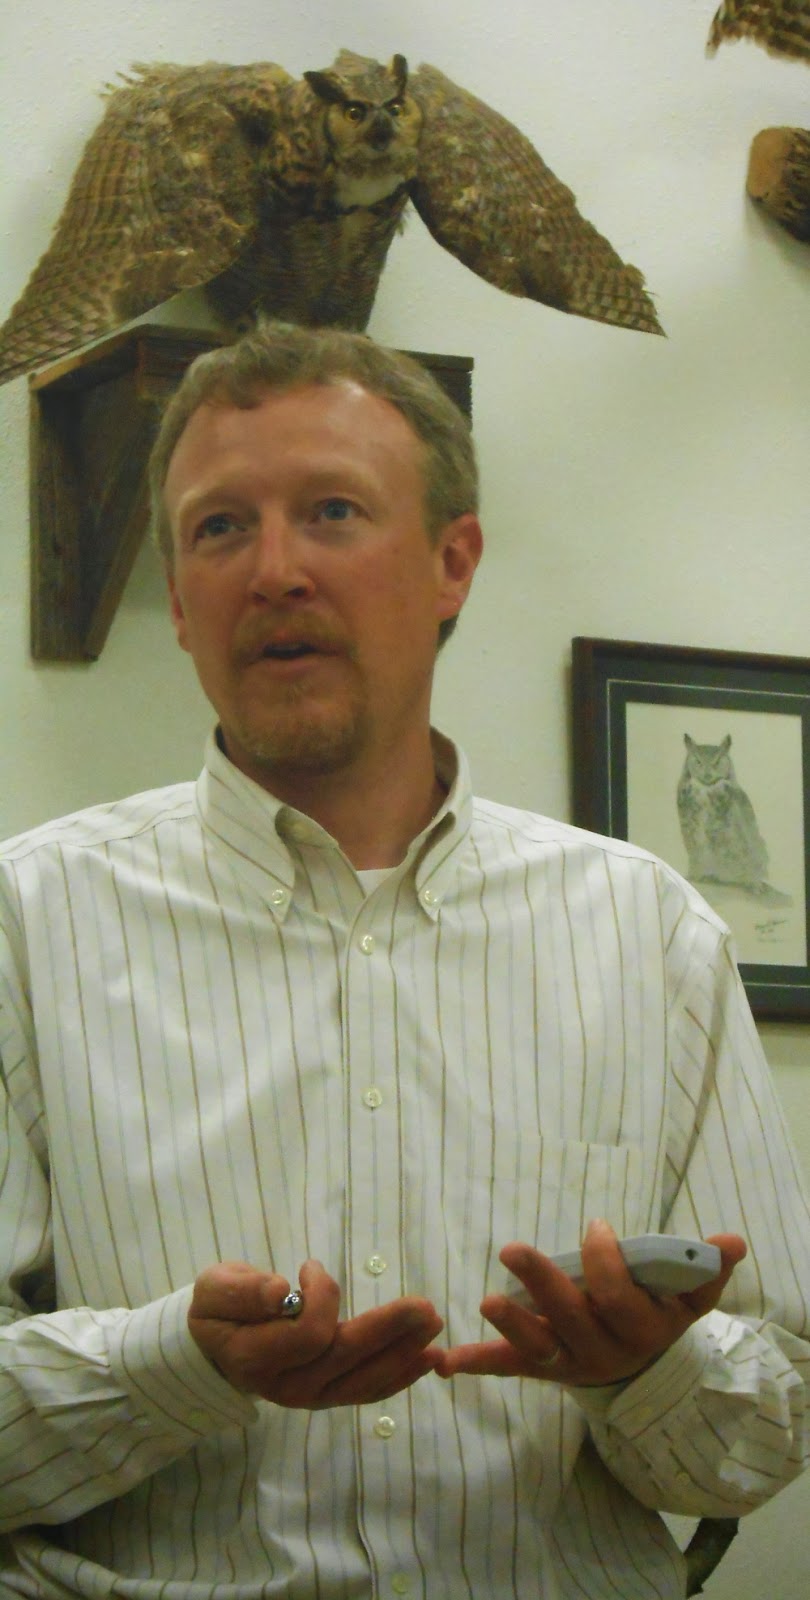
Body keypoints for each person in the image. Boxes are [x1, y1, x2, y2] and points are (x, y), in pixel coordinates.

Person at [0, 319, 808, 1600]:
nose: (275, 571)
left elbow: (765, 1430)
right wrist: (175, 1366)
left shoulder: (648, 934)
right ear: (181, 604)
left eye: (331, 512)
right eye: (220, 527)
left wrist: (642, 1371)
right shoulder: (25, 923)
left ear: (452, 563)